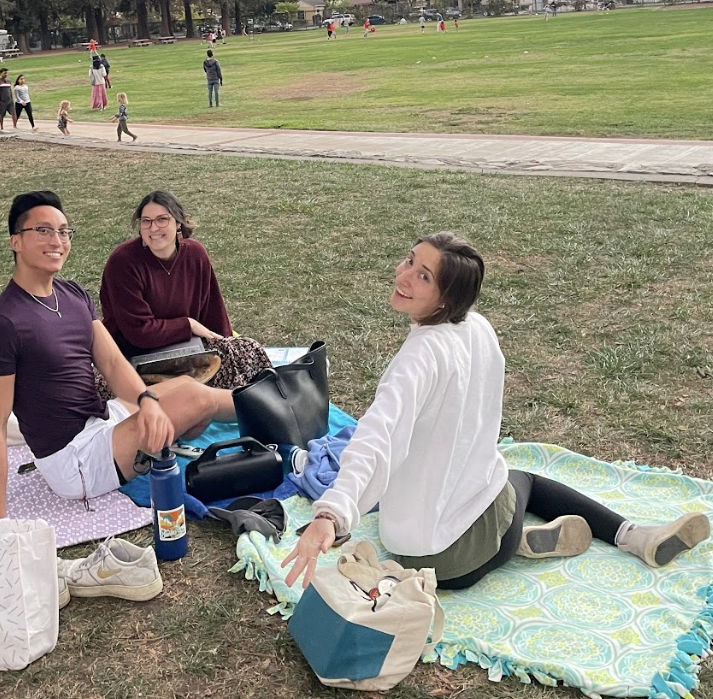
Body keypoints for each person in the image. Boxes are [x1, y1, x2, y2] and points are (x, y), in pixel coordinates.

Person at [285, 233, 710, 592]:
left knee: (501, 479)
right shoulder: (479, 330)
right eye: (410, 261)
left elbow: (378, 435)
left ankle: (520, 541)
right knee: (520, 478)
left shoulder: (422, 355)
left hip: (422, 554)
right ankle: (631, 536)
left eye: (423, 275)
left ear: (447, 296)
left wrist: (333, 513)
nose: (403, 276)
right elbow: (379, 435)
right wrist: (333, 510)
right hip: (452, 557)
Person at [0, 191, 239, 519]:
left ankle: (270, 403)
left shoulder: (71, 295)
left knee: (187, 390)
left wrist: (146, 402)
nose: (56, 240)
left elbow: (112, 363)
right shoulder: (2, 325)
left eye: (63, 231)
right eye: (42, 230)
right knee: (198, 399)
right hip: (73, 459)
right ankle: (275, 413)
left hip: (101, 419)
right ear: (16, 241)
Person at [99, 190, 271, 391]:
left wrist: (226, 345)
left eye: (162, 219)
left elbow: (212, 310)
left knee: (247, 351)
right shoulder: (123, 262)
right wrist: (187, 325)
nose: (153, 228)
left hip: (186, 350)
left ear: (178, 222)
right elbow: (139, 332)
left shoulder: (195, 254)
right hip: (134, 358)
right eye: (146, 221)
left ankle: (270, 406)